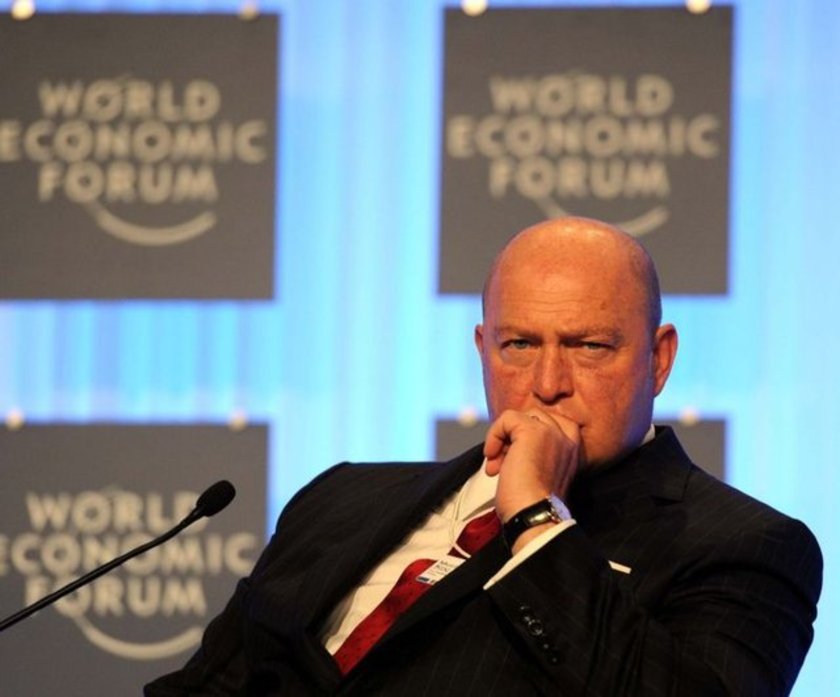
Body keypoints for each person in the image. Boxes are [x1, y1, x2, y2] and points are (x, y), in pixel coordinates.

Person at [146, 216, 822, 696]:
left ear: (659, 358)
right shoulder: (341, 497)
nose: (548, 383)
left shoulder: (744, 547)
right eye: (518, 345)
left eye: (588, 346)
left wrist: (535, 520)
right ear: (482, 350)